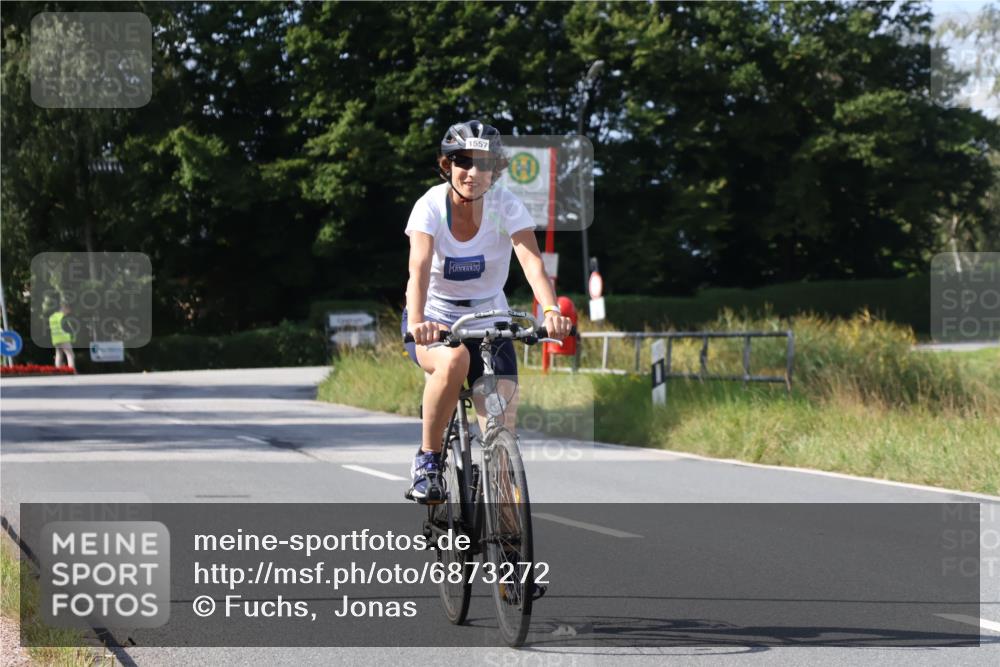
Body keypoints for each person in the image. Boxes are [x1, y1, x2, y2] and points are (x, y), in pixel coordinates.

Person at [402, 120, 572, 503]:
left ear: (495, 170)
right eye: (463, 161)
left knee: (501, 435)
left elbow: (533, 265)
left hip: (490, 319)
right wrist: (417, 324)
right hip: (434, 316)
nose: (472, 172)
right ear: (447, 165)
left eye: (483, 164)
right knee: (453, 362)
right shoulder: (430, 206)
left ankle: (508, 538)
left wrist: (550, 310)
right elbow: (419, 269)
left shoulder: (505, 205)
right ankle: (427, 461)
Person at [49, 303, 75, 370]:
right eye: (68, 310)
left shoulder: (52, 317)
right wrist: (71, 333)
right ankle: (71, 370)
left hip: (56, 339)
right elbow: (65, 327)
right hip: (64, 338)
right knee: (70, 355)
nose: (69, 312)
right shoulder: (62, 317)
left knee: (59, 355)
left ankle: (58, 371)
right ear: (64, 308)